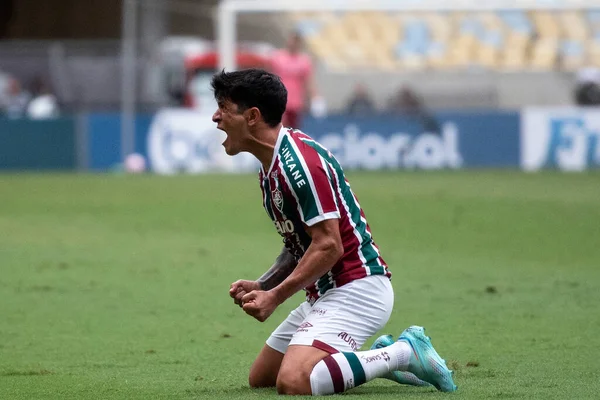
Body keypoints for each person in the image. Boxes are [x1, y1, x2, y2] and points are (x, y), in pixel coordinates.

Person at [211, 68, 457, 396]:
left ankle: (403, 353)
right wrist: (263, 283)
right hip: (325, 291)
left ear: (253, 116)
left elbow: (328, 246)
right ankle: (374, 357)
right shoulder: (271, 167)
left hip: (358, 288)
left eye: (224, 108)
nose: (216, 117)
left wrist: (275, 297)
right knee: (263, 377)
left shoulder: (300, 165)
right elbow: (300, 243)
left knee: (294, 381)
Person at [269, 32, 323, 128]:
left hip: (296, 103)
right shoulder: (278, 58)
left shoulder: (304, 61)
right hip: (279, 101)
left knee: (294, 131)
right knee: (280, 129)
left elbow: (308, 82)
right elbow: (269, 77)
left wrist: (315, 98)